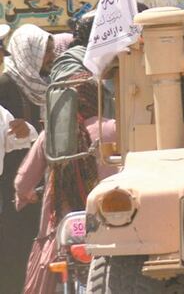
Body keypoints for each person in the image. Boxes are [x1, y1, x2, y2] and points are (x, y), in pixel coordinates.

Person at [17, 72, 118, 294]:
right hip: (109, 220)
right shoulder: (114, 129)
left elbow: (23, 181)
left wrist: (26, 195)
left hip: (65, 225)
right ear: (96, 99)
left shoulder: (51, 135)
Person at [0, 25, 63, 294]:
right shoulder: (5, 85)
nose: (50, 56)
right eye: (45, 50)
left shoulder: (43, 85)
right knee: (14, 240)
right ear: (30, 52)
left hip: (38, 173)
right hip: (11, 176)